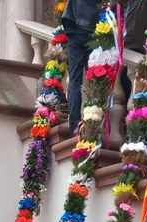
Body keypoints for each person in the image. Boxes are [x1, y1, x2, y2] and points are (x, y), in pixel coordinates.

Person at [62, 0, 99, 133]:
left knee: (75, 81)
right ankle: (93, 125)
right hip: (93, 29)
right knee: (96, 79)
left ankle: (74, 126)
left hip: (74, 27)